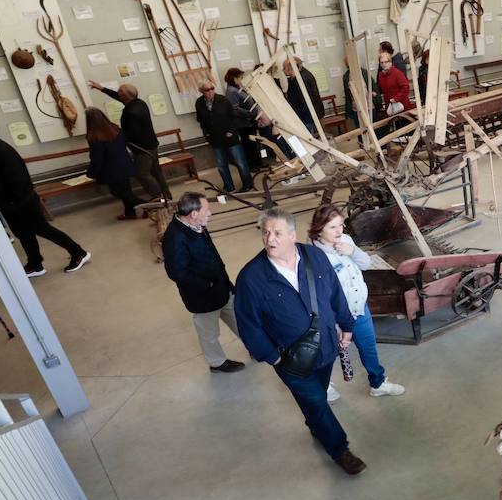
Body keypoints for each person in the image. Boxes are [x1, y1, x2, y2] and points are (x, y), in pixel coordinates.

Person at [234, 207, 365, 474]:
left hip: (327, 347)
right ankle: (340, 449)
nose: (270, 239)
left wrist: (347, 326)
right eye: (266, 232)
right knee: (316, 401)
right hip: (289, 359)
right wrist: (272, 356)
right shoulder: (251, 278)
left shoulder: (314, 256)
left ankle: (316, 425)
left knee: (316, 395)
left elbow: (335, 295)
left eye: (278, 233)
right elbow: (249, 325)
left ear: (292, 235)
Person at [0, 115, 89, 277]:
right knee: (24, 234)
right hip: (12, 204)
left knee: (43, 229)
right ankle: (35, 264)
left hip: (20, 202)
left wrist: (12, 203)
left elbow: (18, 179)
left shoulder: (0, 150)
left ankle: (78, 252)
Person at [307, 204, 405, 399]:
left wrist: (351, 250)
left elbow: (366, 264)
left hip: (359, 308)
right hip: (334, 317)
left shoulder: (345, 240)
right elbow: (319, 295)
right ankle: (323, 387)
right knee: (328, 353)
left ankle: (378, 383)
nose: (339, 231)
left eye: (341, 225)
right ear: (319, 229)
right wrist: (336, 323)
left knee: (369, 348)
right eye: (333, 227)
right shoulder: (313, 256)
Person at [161, 192, 244, 374]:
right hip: (203, 298)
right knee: (210, 335)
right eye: (206, 209)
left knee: (241, 320)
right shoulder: (175, 238)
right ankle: (217, 363)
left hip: (221, 287)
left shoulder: (197, 225)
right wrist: (207, 285)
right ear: (193, 214)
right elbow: (176, 272)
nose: (210, 213)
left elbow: (211, 254)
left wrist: (224, 280)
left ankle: (257, 346)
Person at [88, 81, 171, 201]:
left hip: (142, 148)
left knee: (142, 174)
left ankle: (159, 199)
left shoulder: (131, 112)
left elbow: (130, 133)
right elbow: (118, 96)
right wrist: (101, 88)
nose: (118, 93)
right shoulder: (139, 103)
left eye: (119, 91)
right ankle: (166, 195)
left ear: (125, 95)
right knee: (156, 171)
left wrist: (115, 136)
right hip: (152, 144)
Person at [83, 108, 144, 221]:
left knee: (117, 192)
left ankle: (148, 206)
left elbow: (97, 159)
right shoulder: (115, 129)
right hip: (125, 165)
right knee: (127, 191)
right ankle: (130, 213)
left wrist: (91, 173)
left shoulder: (94, 136)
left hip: (111, 170)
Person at [195, 81, 253, 193]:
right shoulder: (199, 103)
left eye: (212, 88)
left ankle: (248, 185)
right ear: (201, 91)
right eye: (207, 90)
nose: (211, 91)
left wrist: (231, 130)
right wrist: (206, 134)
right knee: (221, 165)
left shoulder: (223, 100)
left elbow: (233, 116)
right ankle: (229, 187)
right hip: (215, 139)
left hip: (230, 137)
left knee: (240, 162)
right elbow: (201, 120)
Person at [376, 51, 413, 116]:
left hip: (402, 106)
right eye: (381, 62)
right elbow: (381, 89)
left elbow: (406, 87)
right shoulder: (380, 76)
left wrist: (396, 98)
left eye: (386, 62)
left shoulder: (397, 73)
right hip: (390, 107)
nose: (384, 64)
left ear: (390, 62)